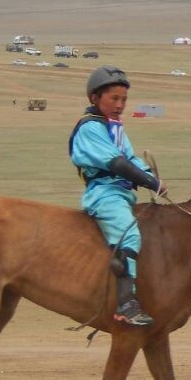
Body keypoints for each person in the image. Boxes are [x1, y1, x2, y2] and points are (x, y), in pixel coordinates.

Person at [69, 66, 165, 326]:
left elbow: (131, 158)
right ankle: (126, 304)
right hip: (104, 194)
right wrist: (147, 181)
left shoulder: (115, 127)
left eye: (123, 99)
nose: (120, 105)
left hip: (123, 193)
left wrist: (152, 177)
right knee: (129, 233)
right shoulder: (90, 128)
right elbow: (117, 164)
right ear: (94, 98)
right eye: (114, 98)